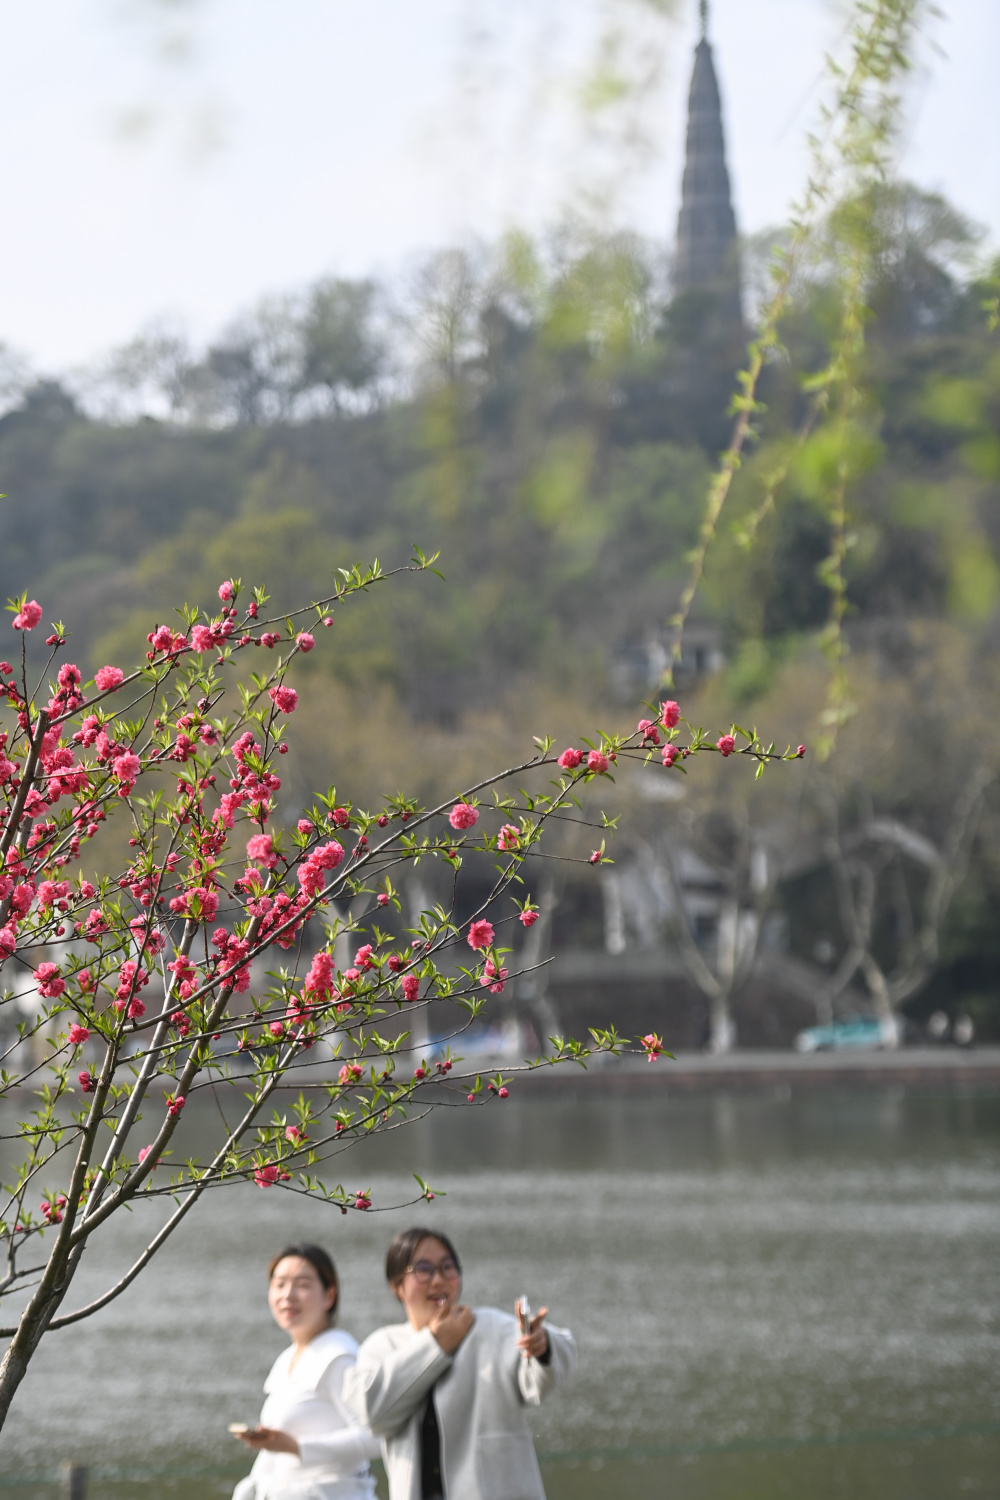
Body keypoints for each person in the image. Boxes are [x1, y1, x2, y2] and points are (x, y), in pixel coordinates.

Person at [344, 1226, 575, 1500]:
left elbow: (540, 1378)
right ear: (397, 1286)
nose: (438, 1279)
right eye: (423, 1269)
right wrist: (436, 1343)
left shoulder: (489, 1328)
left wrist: (542, 1345)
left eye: (447, 1267)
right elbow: (374, 1415)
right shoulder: (382, 1346)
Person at [231, 1243, 382, 1500]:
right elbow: (272, 1461)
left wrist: (297, 1447)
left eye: (302, 1285)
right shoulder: (287, 1359)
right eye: (279, 1284)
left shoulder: (338, 1356)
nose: (287, 1295)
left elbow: (375, 1439)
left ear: (329, 1295)